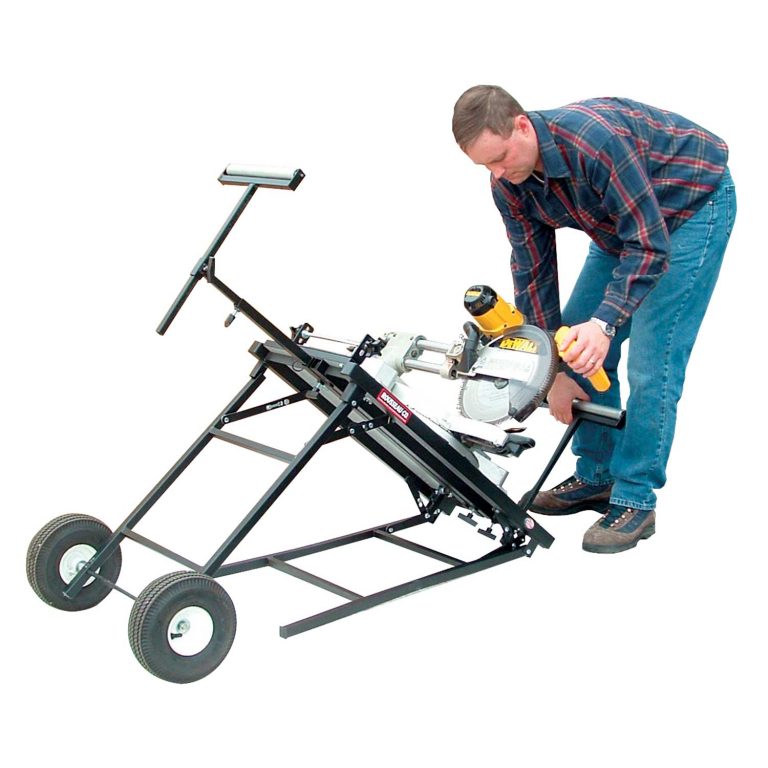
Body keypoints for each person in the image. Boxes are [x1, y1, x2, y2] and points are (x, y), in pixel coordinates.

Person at [452, 85, 736, 554]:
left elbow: (649, 246)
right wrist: (552, 371)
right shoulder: (508, 183)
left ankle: (635, 497)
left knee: (653, 362)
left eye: (500, 158)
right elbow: (533, 270)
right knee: (572, 344)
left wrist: (605, 324)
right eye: (486, 166)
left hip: (689, 210)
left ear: (522, 125)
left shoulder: (595, 142)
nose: (498, 174)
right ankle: (596, 476)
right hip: (623, 225)